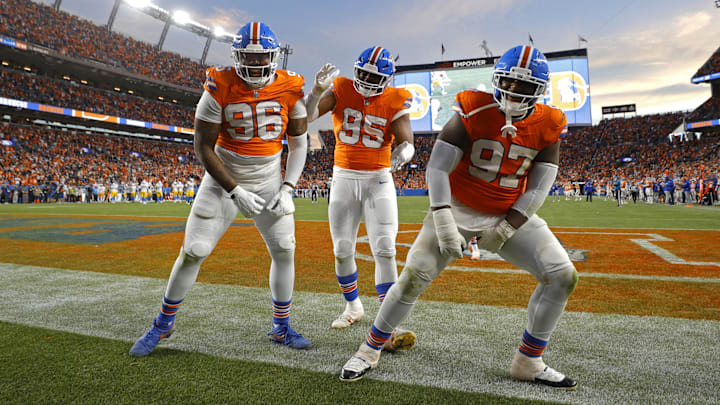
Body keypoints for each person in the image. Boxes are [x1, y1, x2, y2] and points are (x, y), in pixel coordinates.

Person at [339, 45, 579, 390]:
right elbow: (437, 168)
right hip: (457, 206)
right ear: (497, 80)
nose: (515, 93)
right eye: (510, 83)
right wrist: (443, 218)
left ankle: (529, 360)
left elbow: (542, 182)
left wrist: (512, 222)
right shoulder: (474, 108)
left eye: (525, 87)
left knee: (562, 276)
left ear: (540, 91)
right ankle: (370, 349)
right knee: (413, 276)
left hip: (506, 212)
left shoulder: (549, 122)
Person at [129, 21, 311, 356]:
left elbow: (299, 144)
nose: (255, 64)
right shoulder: (219, 86)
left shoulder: (291, 87)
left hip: (270, 177)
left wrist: (288, 187)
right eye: (248, 57)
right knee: (194, 249)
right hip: (223, 174)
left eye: (262, 57)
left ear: (273, 56)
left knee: (285, 247)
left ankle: (281, 326)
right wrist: (234, 189)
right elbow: (203, 148)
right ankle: (163, 323)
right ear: (237, 56)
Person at [305, 47, 417, 349]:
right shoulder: (341, 87)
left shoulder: (396, 98)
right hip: (343, 176)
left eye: (374, 76)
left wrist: (403, 154)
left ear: (387, 78)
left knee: (385, 248)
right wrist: (316, 90)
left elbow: (408, 141)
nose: (366, 79)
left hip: (378, 178)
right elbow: (307, 116)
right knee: (342, 249)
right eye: (363, 72)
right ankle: (353, 306)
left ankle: (387, 321)